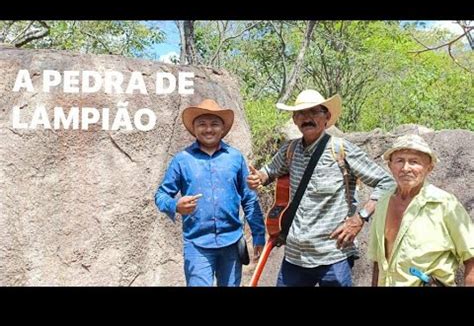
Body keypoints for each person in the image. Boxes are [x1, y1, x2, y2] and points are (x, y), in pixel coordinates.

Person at [247, 89, 394, 286]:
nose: (307, 118)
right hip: (295, 255)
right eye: (301, 113)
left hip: (333, 254)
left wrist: (361, 218)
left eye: (314, 112)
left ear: (327, 117)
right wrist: (259, 178)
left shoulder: (340, 149)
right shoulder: (290, 150)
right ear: (294, 119)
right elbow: (268, 171)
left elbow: (386, 182)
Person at [155, 99, 265, 286]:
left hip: (232, 243)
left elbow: (248, 198)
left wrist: (259, 234)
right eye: (202, 124)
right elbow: (161, 195)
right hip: (197, 245)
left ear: (222, 128)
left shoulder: (235, 157)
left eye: (214, 124)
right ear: (194, 128)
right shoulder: (182, 160)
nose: (208, 129)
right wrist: (176, 205)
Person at [368, 134, 474, 286]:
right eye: (399, 161)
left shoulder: (444, 204)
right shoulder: (383, 202)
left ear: (429, 167)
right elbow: (379, 262)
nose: (406, 168)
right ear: (390, 166)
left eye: (414, 162)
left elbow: (472, 257)